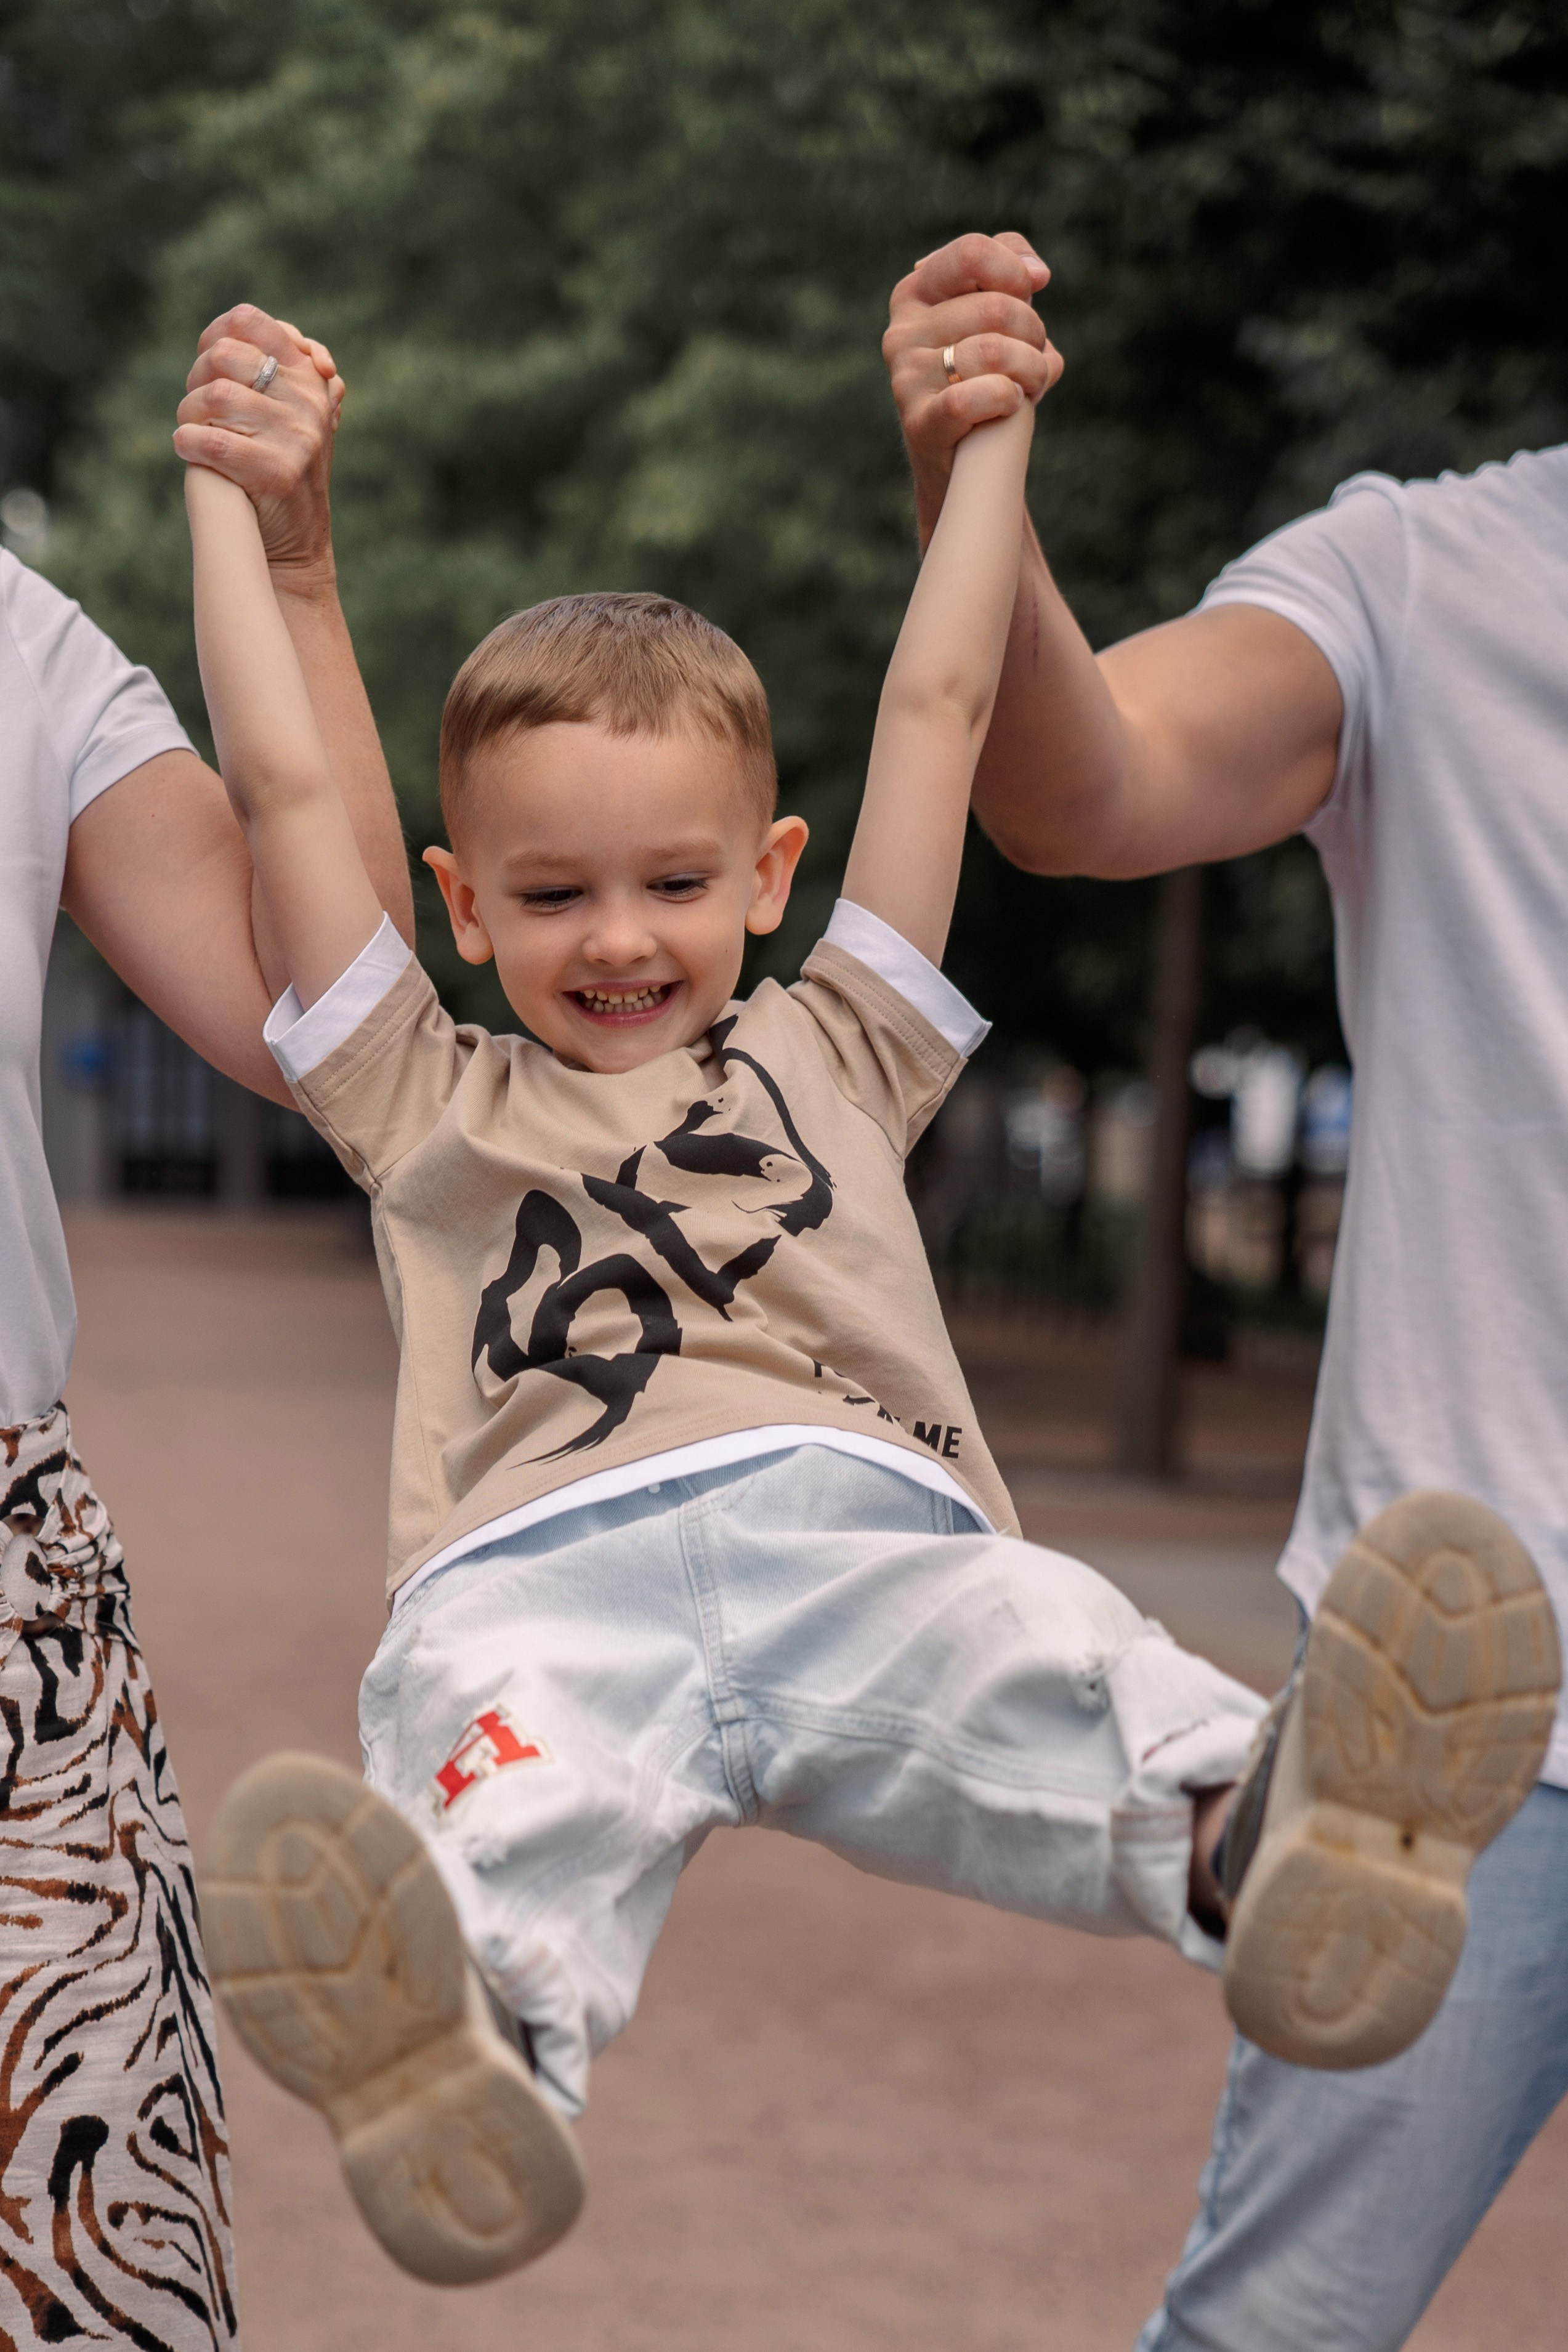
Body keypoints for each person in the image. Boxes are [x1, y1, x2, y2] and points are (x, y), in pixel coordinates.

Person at [183, 331, 1556, 2292]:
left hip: (863, 1541)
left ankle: (1261, 1839)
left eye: (671, 880)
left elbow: (942, 695)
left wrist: (982, 443)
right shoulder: (419, 1091)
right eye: (552, 895)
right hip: (534, 1580)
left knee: (1052, 1664)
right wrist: (248, 517)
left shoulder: (845, 1041)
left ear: (770, 873)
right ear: (462, 908)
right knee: (505, 1790)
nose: (620, 936)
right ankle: (465, 2053)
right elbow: (284, 776)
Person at [883, 227, 1568, 2350]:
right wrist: (970, 489)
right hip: (1470, 1699)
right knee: (1274, 2332)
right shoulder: (1428, 585)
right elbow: (1085, 789)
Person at [0, 304, 411, 2347]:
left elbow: (329, 1022)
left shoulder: (13, 638)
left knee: (85, 2289)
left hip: (3, 1612)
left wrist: (298, 574)